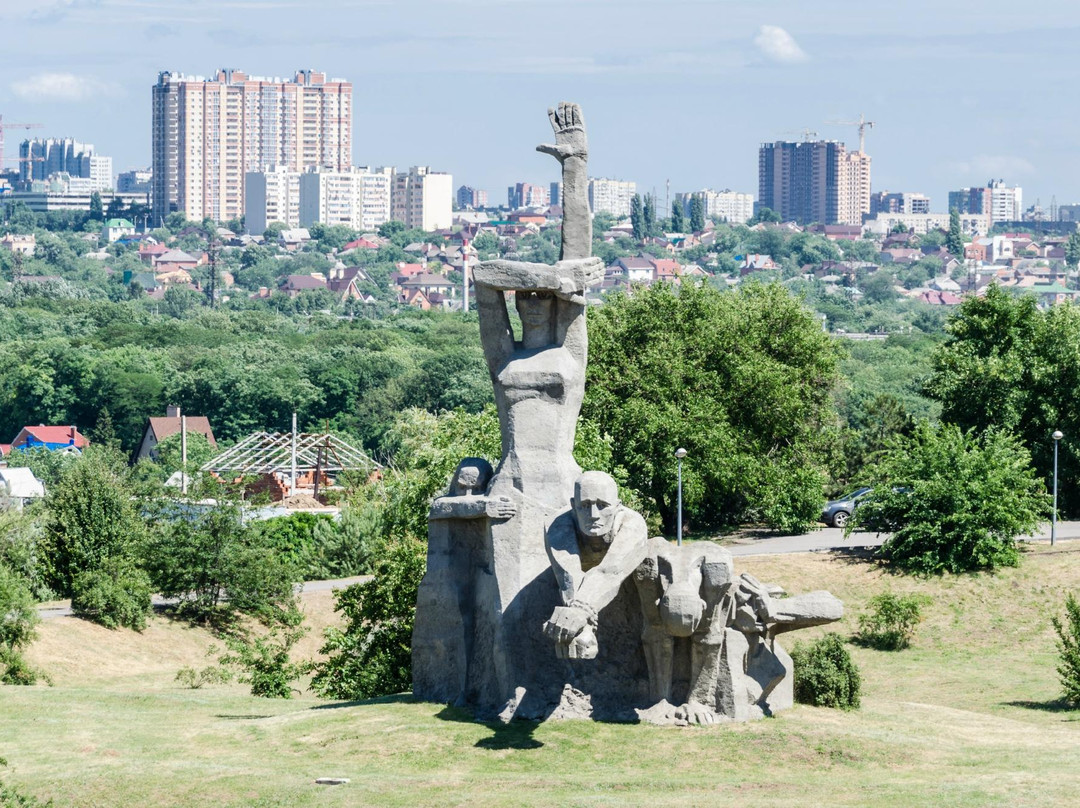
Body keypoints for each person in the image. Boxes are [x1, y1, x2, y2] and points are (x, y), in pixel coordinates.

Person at [472, 102, 603, 510]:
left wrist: (574, 165)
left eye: (541, 299)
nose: (531, 303)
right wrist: (552, 282)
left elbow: (576, 256)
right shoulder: (503, 354)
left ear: (554, 307)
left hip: (563, 484)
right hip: (509, 485)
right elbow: (483, 276)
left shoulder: (569, 350)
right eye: (523, 296)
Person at [543, 471, 649, 659]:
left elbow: (611, 570)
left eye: (602, 505)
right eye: (584, 506)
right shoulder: (557, 524)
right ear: (573, 506)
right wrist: (578, 627)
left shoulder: (633, 524)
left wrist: (579, 614)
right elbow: (568, 574)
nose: (593, 515)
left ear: (617, 506)